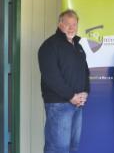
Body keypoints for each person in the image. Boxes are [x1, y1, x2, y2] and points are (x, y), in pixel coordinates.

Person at [38, 9, 90, 153]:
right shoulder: (50, 46)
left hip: (78, 104)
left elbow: (85, 72)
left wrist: (85, 92)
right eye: (68, 24)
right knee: (57, 149)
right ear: (60, 24)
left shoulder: (78, 47)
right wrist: (71, 96)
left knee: (73, 147)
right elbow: (51, 77)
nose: (72, 27)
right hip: (59, 105)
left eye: (75, 24)